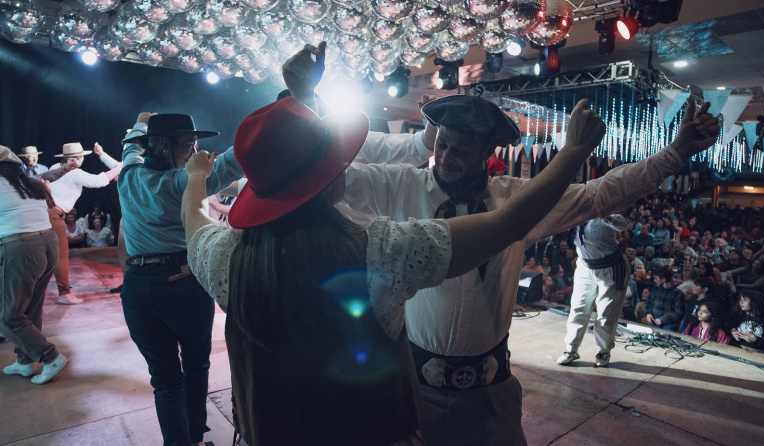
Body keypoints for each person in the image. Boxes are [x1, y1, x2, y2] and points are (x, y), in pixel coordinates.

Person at [180, 86, 605, 445]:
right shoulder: (381, 252)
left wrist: (196, 174)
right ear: (329, 178)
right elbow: (508, 223)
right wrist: (572, 153)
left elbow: (193, 219)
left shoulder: (223, 258)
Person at [335, 74, 720, 442]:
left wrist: (676, 152)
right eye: (442, 145)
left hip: (491, 394)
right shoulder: (400, 186)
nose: (446, 157)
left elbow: (599, 195)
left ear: (488, 153)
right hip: (415, 387)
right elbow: (332, 178)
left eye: (461, 150)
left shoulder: (516, 198)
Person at [118, 110, 244, 446]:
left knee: (165, 380)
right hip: (182, 281)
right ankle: (197, 440)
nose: (194, 152)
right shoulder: (182, 183)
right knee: (196, 364)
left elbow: (129, 148)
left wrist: (142, 120)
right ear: (162, 145)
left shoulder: (128, 174)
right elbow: (236, 160)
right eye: (188, 145)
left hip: (137, 287)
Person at [0, 145, 69, 384]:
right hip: (48, 244)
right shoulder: (29, 184)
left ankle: (50, 357)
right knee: (30, 308)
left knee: (6, 316)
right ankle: (24, 362)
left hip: (21, 248)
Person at [47, 142, 122, 305]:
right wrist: (121, 166)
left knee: (47, 254)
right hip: (53, 213)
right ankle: (64, 293)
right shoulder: (74, 172)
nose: (80, 160)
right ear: (77, 158)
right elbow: (98, 181)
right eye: (79, 157)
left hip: (45, 212)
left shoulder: (55, 166)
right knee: (61, 254)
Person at [557, 214, 629, 367]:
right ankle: (571, 349)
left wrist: (606, 217)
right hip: (585, 266)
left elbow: (622, 224)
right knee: (578, 308)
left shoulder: (603, 214)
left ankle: (604, 351)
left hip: (610, 268)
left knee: (605, 313)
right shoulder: (575, 215)